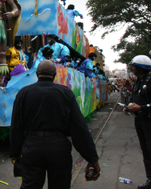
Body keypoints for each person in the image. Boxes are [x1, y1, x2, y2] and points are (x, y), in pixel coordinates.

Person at [10, 60, 100, 188]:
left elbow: (16, 127)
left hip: (32, 147)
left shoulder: (24, 93)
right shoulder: (66, 93)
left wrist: (15, 154)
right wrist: (92, 158)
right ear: (55, 75)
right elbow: (79, 128)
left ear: (36, 74)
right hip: (59, 148)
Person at [124, 55, 151, 189]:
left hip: (149, 120)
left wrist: (142, 108)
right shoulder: (138, 82)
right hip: (139, 120)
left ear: (140, 68)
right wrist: (128, 107)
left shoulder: (150, 82)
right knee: (145, 150)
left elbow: (145, 104)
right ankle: (150, 179)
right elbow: (135, 98)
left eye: (134, 66)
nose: (133, 68)